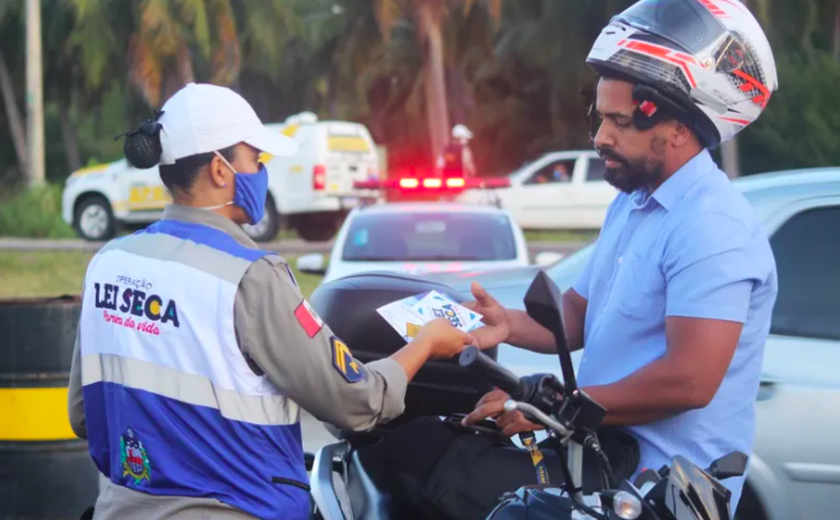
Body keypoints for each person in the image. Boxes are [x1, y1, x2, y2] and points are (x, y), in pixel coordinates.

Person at [361, 0, 779, 518]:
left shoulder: (714, 226)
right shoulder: (633, 202)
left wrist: (556, 407)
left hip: (661, 490)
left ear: (678, 129)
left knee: (455, 487)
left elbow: (690, 379)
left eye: (618, 122)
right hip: (599, 460)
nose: (599, 137)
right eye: (599, 117)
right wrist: (506, 325)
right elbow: (582, 313)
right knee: (415, 453)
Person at [66, 83, 473, 520]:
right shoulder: (250, 276)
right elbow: (357, 403)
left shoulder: (110, 262)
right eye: (255, 160)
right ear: (220, 171)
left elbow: (83, 414)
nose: (262, 173)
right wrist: (427, 342)